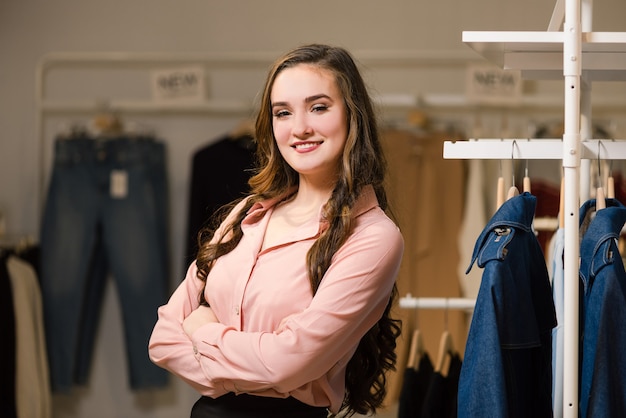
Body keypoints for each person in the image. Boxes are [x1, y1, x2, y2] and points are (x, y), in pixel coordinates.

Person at [148, 43, 404, 418]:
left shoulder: (374, 237)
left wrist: (204, 333)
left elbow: (288, 363)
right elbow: (163, 341)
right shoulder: (245, 215)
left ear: (353, 115)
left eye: (318, 107)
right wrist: (258, 362)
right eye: (283, 113)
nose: (300, 128)